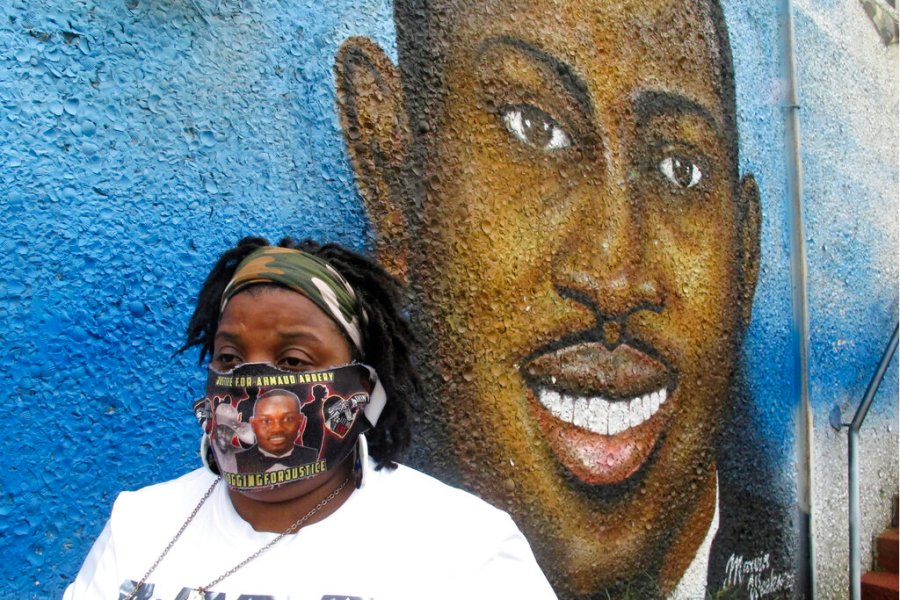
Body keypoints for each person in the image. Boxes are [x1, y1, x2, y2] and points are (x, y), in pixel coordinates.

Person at [334, 1, 790, 598]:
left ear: (745, 256)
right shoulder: (323, 557)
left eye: (681, 170)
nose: (615, 275)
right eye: (534, 127)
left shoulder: (785, 552)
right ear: (393, 171)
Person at [64, 237, 557, 600]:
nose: (255, 384)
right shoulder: (142, 523)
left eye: (294, 361)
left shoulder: (461, 545)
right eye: (230, 359)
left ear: (361, 389)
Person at [235, 389, 318, 473]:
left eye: (288, 419)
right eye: (266, 421)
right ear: (253, 424)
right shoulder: (237, 460)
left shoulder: (313, 456)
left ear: (301, 421)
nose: (277, 429)